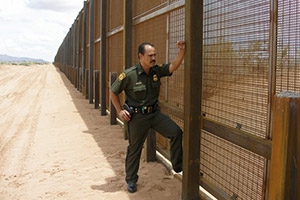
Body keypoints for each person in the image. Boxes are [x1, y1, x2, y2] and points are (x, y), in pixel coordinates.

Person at [110, 41, 185, 193]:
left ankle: (177, 167)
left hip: (155, 114)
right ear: (140, 56)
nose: (153, 58)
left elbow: (173, 66)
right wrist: (119, 111)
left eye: (154, 55)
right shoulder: (129, 74)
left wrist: (182, 51)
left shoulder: (156, 71)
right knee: (135, 149)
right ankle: (131, 180)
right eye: (150, 55)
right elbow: (113, 92)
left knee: (176, 132)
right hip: (137, 118)